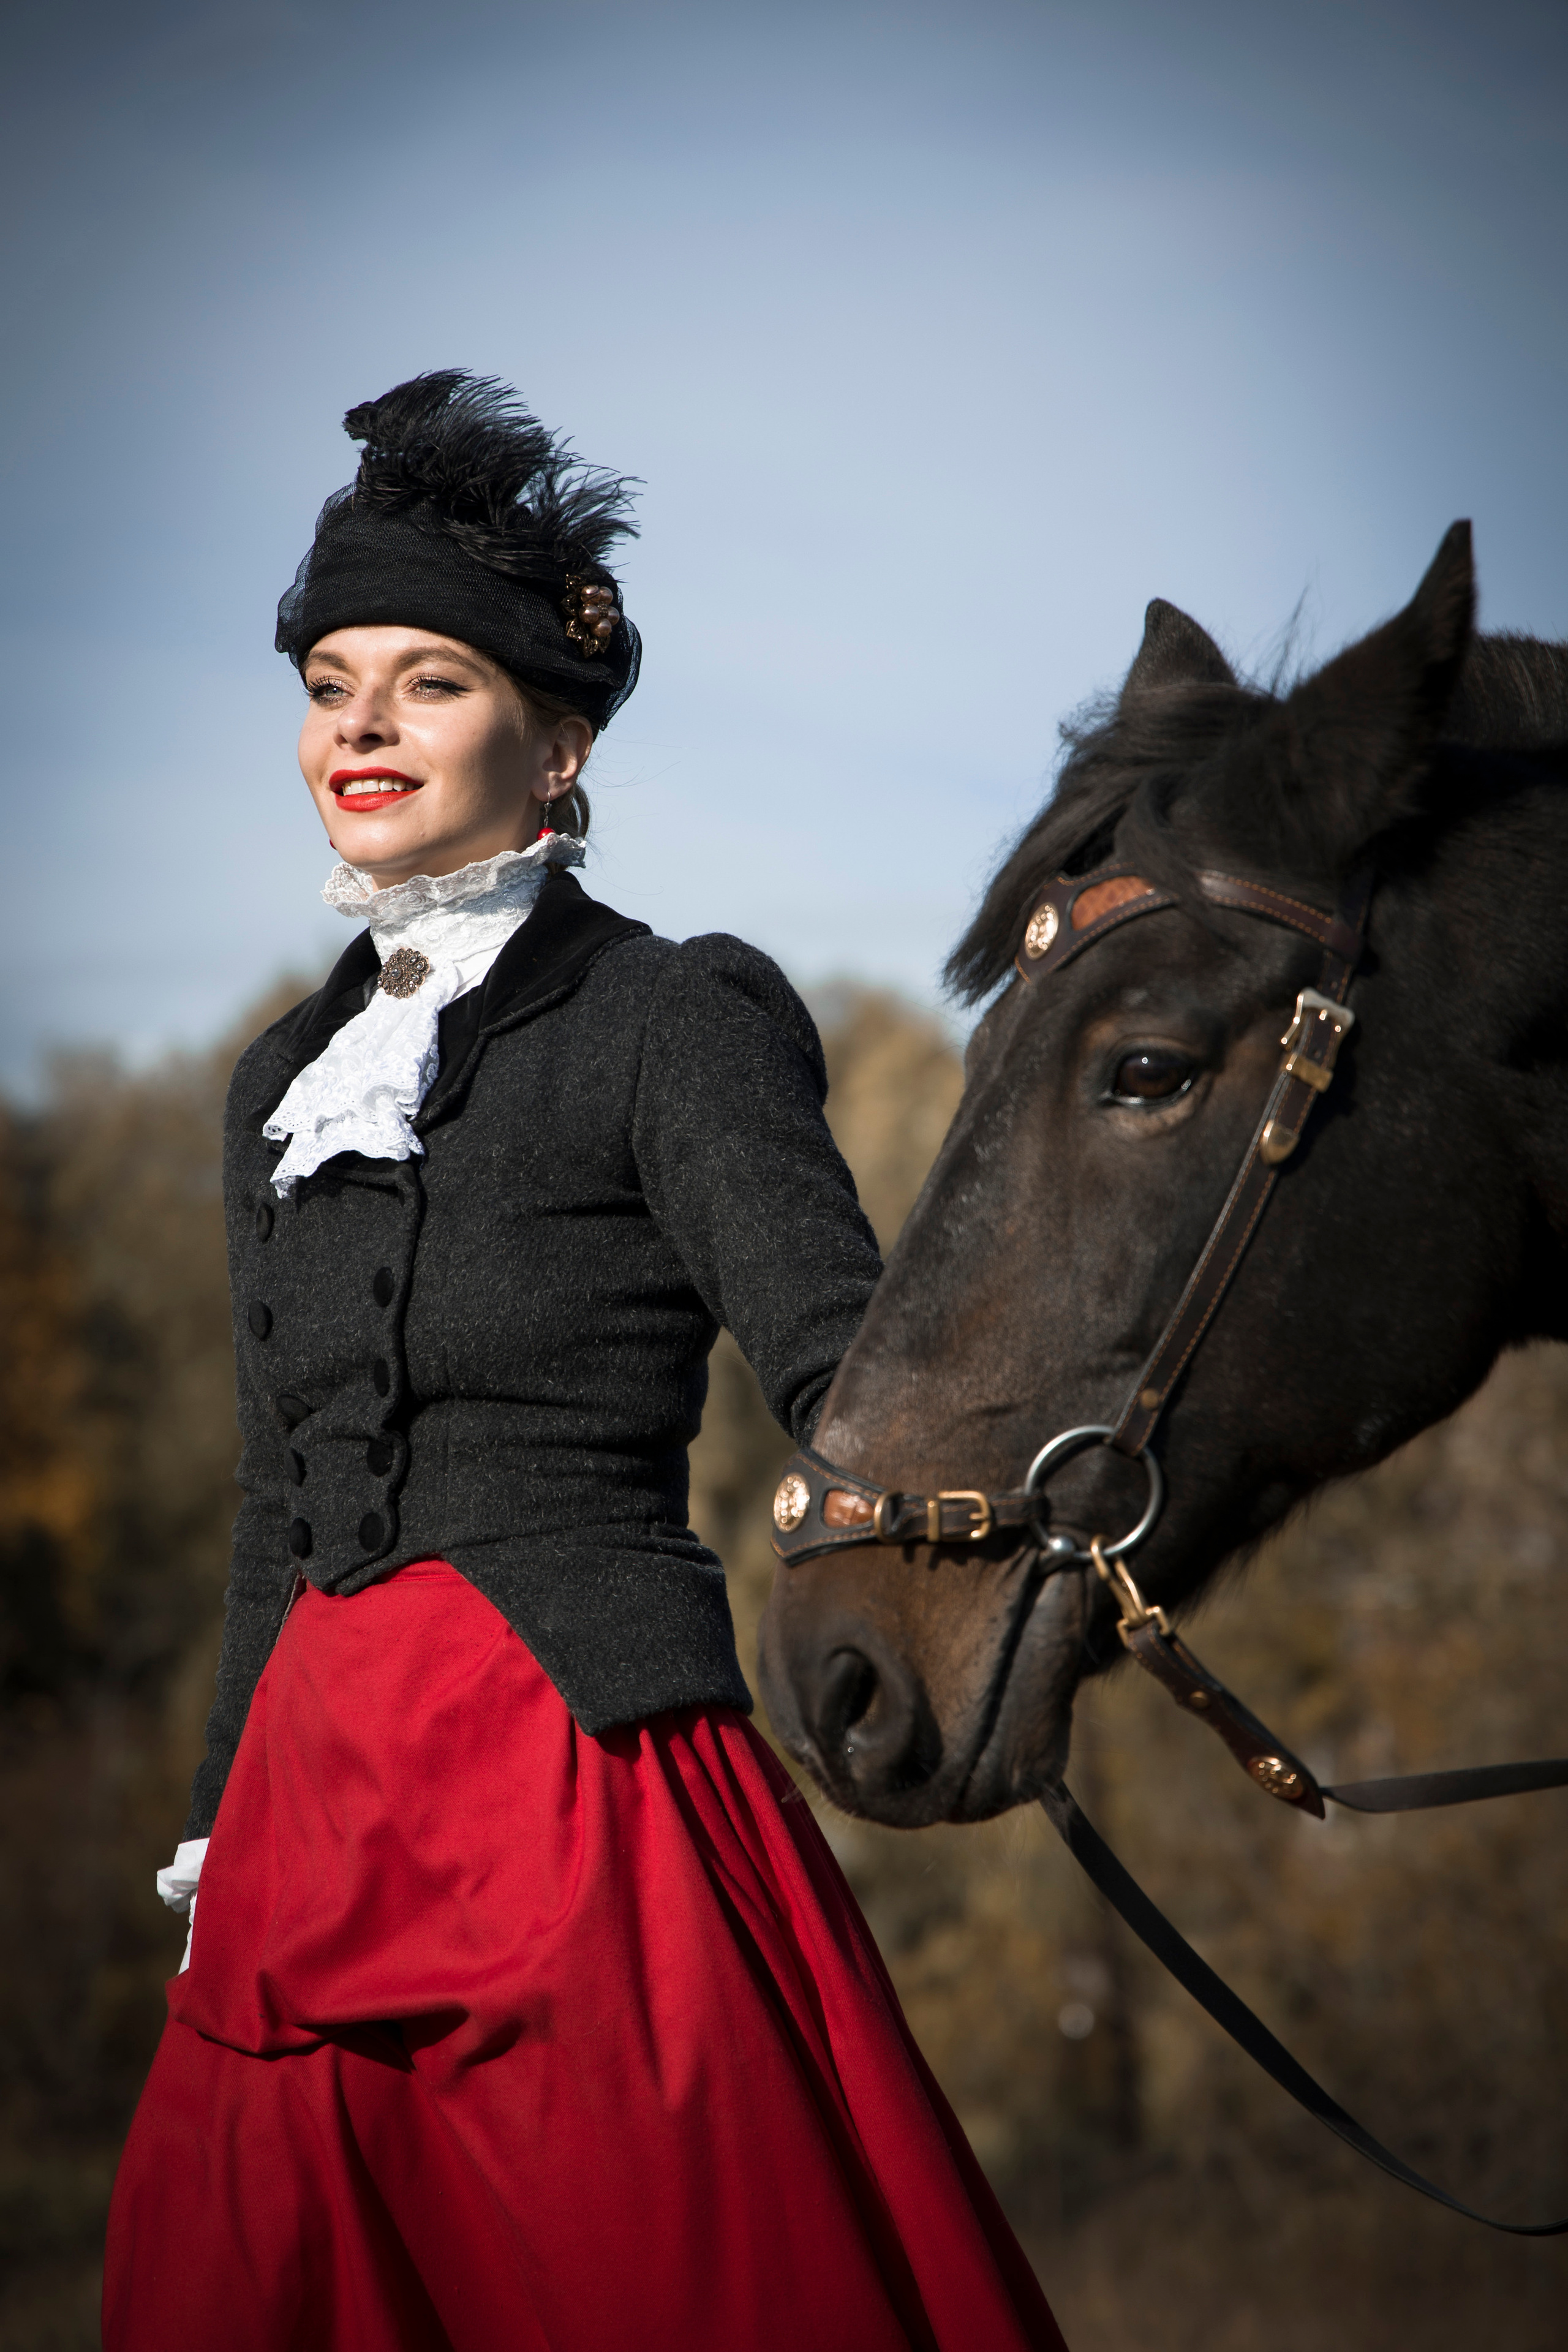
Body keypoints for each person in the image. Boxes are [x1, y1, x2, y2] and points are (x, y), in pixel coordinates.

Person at [102, 372, 1065, 2352]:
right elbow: (280, 1497)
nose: (358, 725)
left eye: (427, 681)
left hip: (571, 1793)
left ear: (560, 746)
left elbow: (841, 1368)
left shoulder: (667, 1020)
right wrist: (217, 1820)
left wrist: (1021, 1534)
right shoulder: (283, 1084)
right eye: (331, 680)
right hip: (304, 1825)